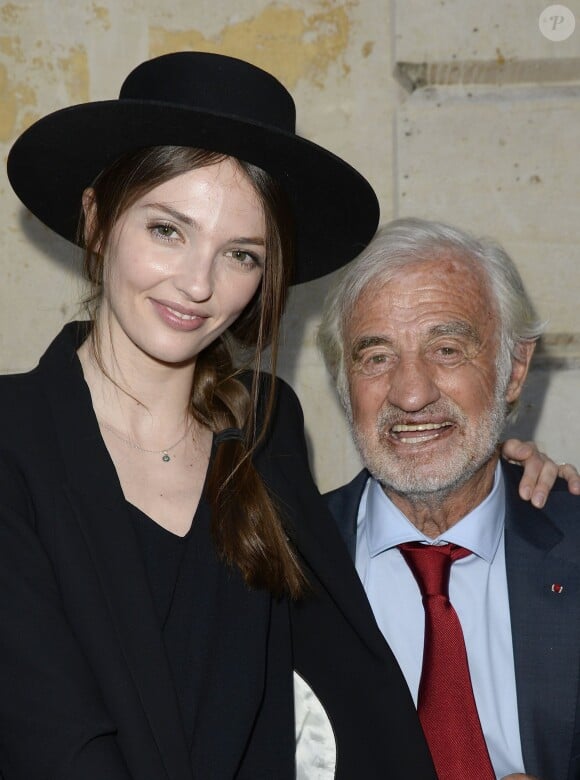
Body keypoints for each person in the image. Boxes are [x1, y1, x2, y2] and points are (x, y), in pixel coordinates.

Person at [1, 53, 574, 780]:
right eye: (168, 230)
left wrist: (509, 486)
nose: (199, 283)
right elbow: (50, 736)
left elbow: (355, 691)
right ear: (97, 219)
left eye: (240, 253)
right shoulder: (15, 441)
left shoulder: (265, 431)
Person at [317, 217, 580, 780]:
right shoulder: (274, 566)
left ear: (513, 370)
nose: (411, 394)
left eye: (447, 349)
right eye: (377, 357)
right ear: (345, 383)